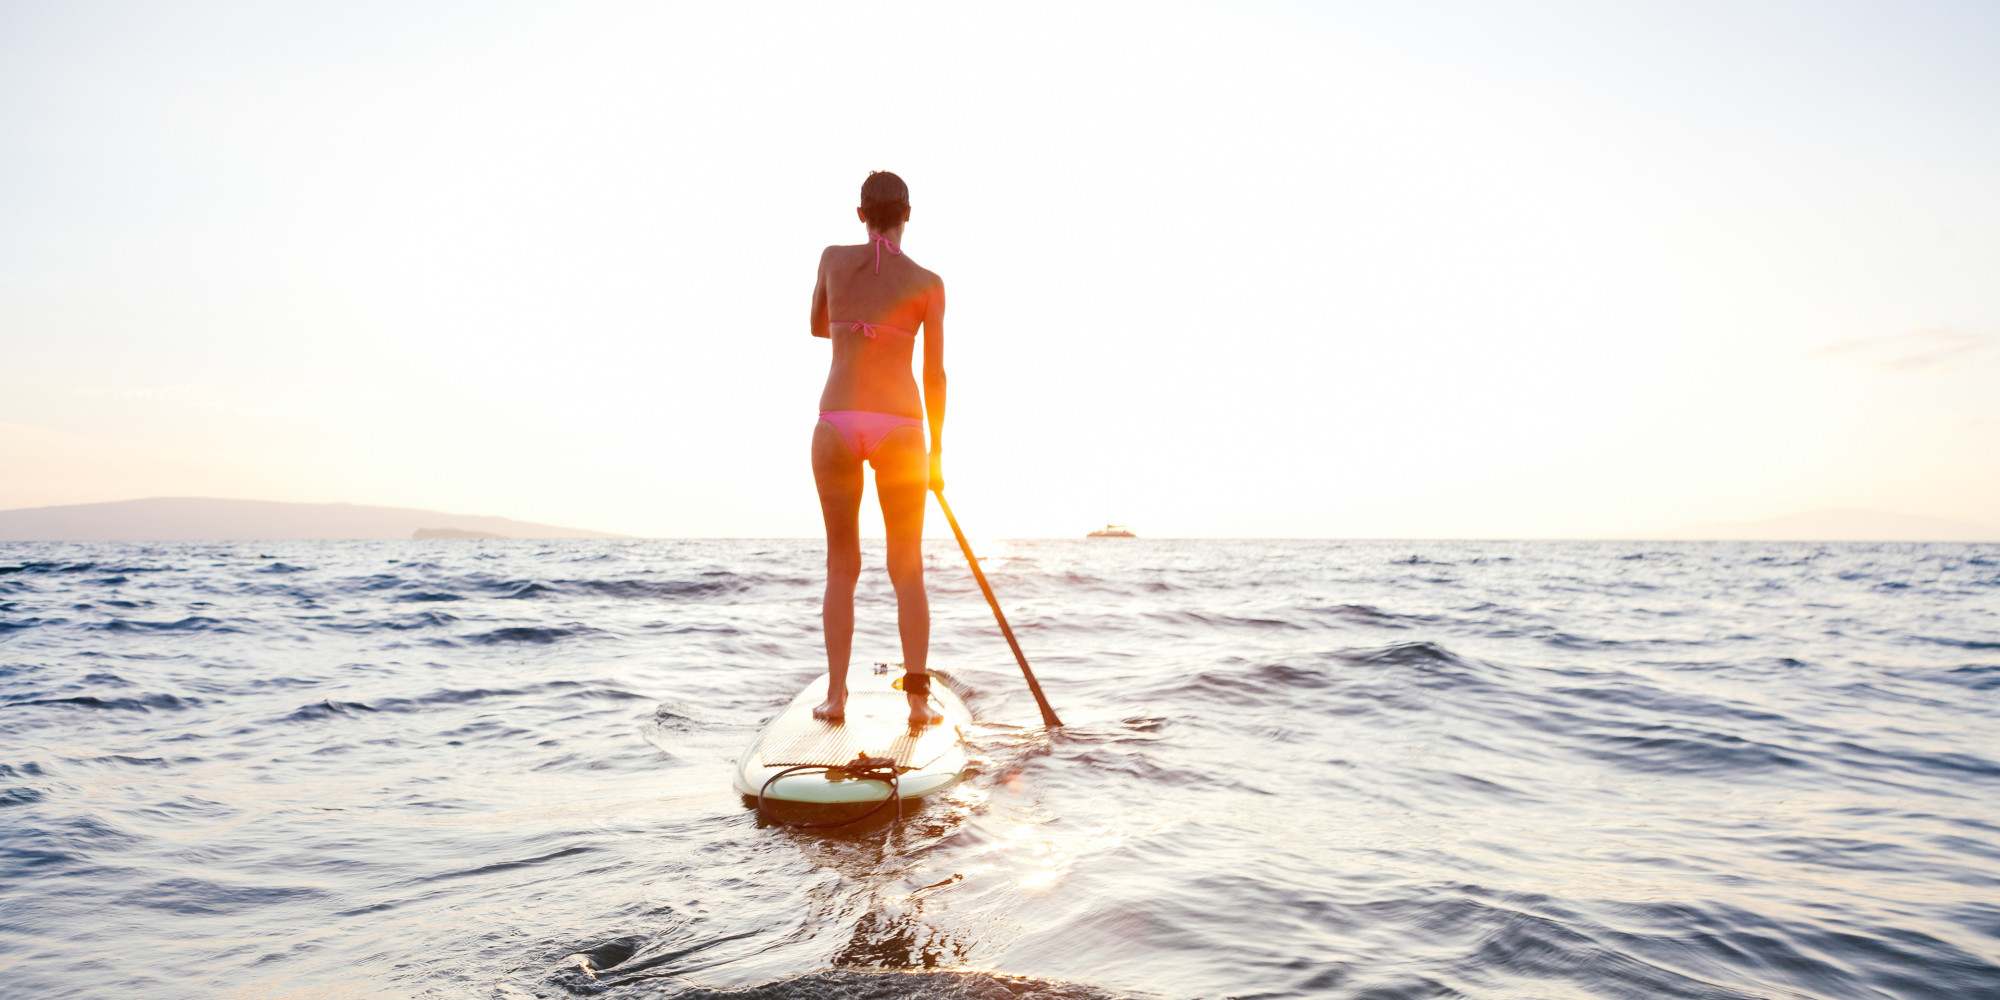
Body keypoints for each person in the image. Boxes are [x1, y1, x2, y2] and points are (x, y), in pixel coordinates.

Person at [808, 171, 946, 730]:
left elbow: (818, 326)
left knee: (842, 565)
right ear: (908, 214)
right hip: (901, 427)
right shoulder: (929, 283)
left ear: (860, 214)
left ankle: (837, 696)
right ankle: (916, 701)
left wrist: (854, 319)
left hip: (837, 421)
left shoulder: (832, 259)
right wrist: (936, 457)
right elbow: (934, 376)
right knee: (906, 566)